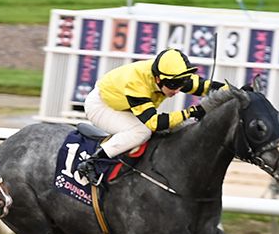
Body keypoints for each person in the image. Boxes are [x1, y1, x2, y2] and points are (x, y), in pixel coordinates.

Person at [81, 48, 225, 169]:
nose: (176, 90)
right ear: (158, 79)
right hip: (102, 106)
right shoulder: (136, 84)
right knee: (141, 131)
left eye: (181, 84)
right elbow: (154, 123)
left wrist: (237, 91)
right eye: (173, 86)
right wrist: (190, 112)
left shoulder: (172, 77)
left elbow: (206, 87)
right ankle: (93, 162)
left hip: (123, 104)